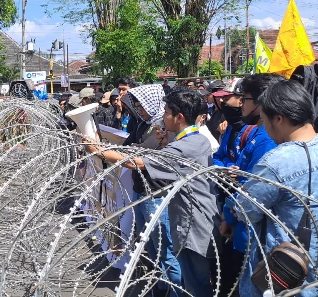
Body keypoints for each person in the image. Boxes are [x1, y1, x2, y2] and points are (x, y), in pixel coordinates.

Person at [86, 89, 221, 296]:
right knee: (190, 278)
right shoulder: (195, 139)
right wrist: (167, 142)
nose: (163, 115)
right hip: (192, 219)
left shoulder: (186, 146)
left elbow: (136, 162)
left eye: (166, 111)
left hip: (194, 227)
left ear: (179, 117)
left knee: (196, 285)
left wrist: (96, 150)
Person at [235, 80, 318, 297]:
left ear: (278, 119)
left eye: (263, 121)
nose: (264, 129)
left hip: (281, 276)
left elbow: (245, 210)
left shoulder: (276, 162)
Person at [216, 74, 283, 296]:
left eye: (245, 99)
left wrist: (228, 216)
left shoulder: (266, 140)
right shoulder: (254, 132)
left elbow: (252, 191)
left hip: (251, 235)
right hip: (242, 228)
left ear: (262, 102)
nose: (240, 105)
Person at [119, 84, 182, 297]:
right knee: (152, 247)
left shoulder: (163, 127)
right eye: (136, 106)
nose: (139, 109)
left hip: (156, 193)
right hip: (142, 189)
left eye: (141, 105)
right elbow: (135, 147)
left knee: (165, 249)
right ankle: (160, 287)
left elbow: (145, 154)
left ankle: (174, 290)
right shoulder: (145, 124)